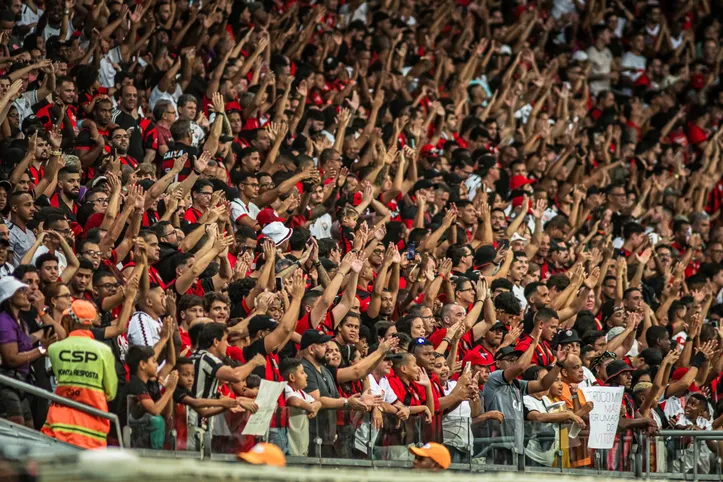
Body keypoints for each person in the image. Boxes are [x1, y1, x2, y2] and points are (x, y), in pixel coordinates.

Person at [42, 300, 117, 449]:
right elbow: (111, 392)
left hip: (59, 422)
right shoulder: (104, 351)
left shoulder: (55, 348)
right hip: (93, 425)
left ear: (69, 319)